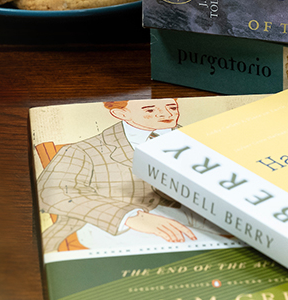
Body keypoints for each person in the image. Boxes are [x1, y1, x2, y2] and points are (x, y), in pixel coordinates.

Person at [37, 98, 219, 252]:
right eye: (150, 109)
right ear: (121, 114)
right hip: (112, 229)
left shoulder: (201, 140)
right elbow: (53, 191)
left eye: (172, 107)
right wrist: (129, 216)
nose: (167, 114)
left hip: (199, 222)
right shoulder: (84, 150)